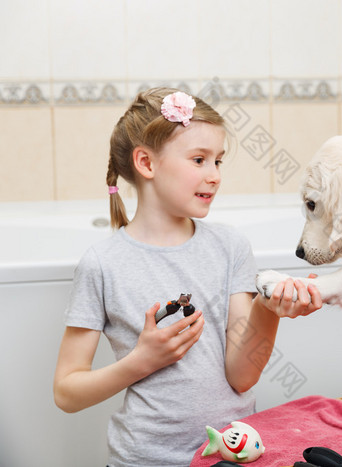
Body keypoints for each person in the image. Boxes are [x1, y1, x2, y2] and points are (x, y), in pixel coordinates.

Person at [53, 87, 322, 466]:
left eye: (218, 162)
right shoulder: (103, 264)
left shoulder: (230, 247)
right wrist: (141, 360)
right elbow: (67, 392)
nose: (214, 176)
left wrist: (269, 308)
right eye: (199, 160)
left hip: (231, 455)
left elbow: (241, 377)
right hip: (144, 459)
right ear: (146, 163)